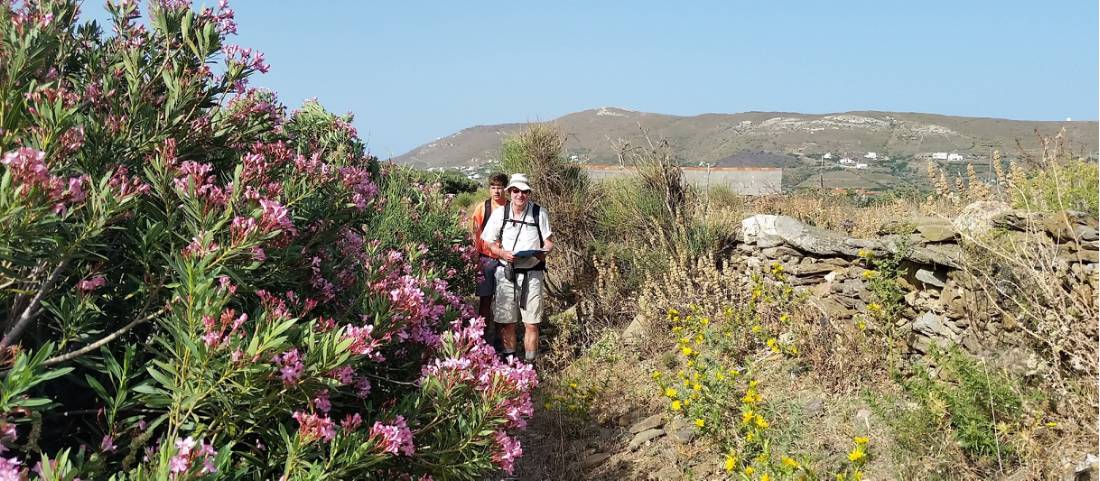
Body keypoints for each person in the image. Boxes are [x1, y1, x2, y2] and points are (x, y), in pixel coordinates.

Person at [480, 173, 554, 364]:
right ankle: (510, 362)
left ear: (528, 193)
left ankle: (530, 365)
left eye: (524, 191)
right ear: (510, 192)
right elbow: (488, 242)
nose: (519, 195)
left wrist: (542, 252)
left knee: (532, 323)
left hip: (533, 273)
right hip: (507, 272)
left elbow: (548, 242)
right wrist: (502, 253)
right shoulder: (500, 214)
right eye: (515, 191)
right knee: (507, 321)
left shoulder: (539, 213)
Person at [469, 173, 509, 344]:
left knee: (503, 301)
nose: (496, 191)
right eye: (493, 187)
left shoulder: (511, 207)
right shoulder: (482, 207)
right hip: (486, 260)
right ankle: (482, 338)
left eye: (500, 187)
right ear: (489, 188)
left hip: (505, 260)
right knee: (485, 300)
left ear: (505, 189)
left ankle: (501, 339)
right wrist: (476, 259)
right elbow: (475, 235)